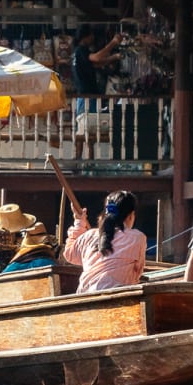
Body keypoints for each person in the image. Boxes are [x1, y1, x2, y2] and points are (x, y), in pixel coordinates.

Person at [63, 191, 147, 292]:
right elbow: (138, 272)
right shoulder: (137, 238)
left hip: (85, 296)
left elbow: (69, 254)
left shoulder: (89, 235)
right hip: (118, 297)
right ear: (130, 216)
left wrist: (79, 222)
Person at [72, 24, 121, 159]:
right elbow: (97, 58)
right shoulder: (81, 50)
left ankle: (84, 161)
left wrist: (115, 57)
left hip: (85, 96)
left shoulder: (78, 53)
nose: (93, 37)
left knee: (87, 129)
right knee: (86, 131)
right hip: (87, 96)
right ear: (86, 37)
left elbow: (97, 63)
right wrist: (113, 43)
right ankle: (82, 161)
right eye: (91, 35)